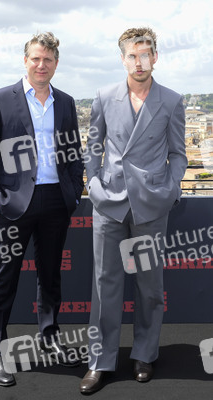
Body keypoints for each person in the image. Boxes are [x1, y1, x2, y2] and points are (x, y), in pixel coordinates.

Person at [80, 27, 187, 394]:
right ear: (123, 58)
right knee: (103, 285)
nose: (139, 61)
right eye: (132, 55)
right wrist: (93, 185)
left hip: (150, 205)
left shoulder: (171, 100)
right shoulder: (104, 96)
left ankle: (144, 354)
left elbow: (178, 153)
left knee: (149, 287)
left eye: (145, 54)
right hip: (108, 202)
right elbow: (93, 147)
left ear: (154, 57)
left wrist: (169, 190)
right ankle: (100, 361)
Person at [0, 32, 84, 387]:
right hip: (13, 204)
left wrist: (73, 192)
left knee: (50, 275)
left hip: (56, 201)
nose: (41, 65)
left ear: (56, 64)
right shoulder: (0, 99)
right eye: (36, 59)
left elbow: (74, 152)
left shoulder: (65, 102)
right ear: (26, 60)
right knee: (4, 277)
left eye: (48, 60)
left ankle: (49, 337)